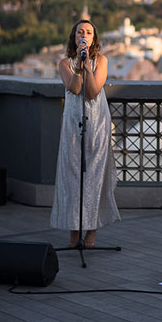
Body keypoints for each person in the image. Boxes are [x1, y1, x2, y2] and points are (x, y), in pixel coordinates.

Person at [50, 19, 120, 247]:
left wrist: (88, 65)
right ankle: (73, 231)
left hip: (97, 122)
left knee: (93, 178)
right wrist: (79, 66)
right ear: (74, 36)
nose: (84, 34)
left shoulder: (102, 61)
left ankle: (91, 232)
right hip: (73, 123)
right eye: (80, 31)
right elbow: (75, 87)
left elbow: (91, 92)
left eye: (88, 32)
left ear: (93, 39)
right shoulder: (64, 63)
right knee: (72, 178)